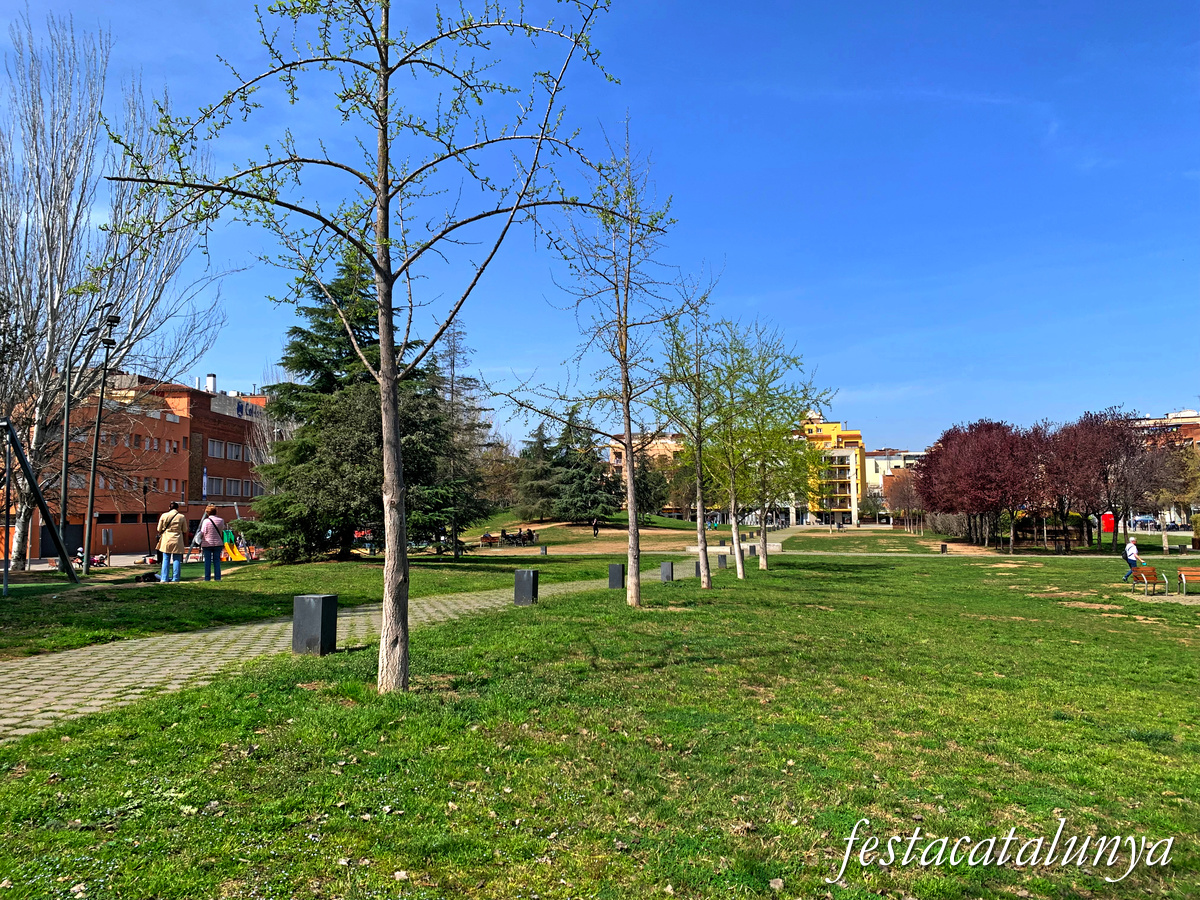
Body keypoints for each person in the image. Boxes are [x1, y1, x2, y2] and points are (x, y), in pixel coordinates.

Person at [156, 501, 187, 583]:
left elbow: (159, 529)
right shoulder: (181, 516)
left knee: (166, 559)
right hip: (177, 539)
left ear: (169, 508)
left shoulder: (164, 515)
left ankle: (164, 578)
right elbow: (185, 530)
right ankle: (175, 578)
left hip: (166, 539)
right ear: (177, 508)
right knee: (176, 559)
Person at [198, 504, 227, 582]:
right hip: (218, 542)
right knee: (217, 561)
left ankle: (207, 578)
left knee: (207, 561)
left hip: (207, 543)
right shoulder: (221, 520)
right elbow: (222, 529)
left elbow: (203, 532)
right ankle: (218, 577)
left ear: (207, 512)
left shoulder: (206, 521)